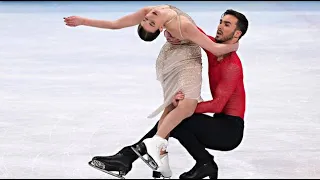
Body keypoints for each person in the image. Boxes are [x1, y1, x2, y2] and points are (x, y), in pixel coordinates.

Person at [64, 4, 238, 176]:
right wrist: (82, 21)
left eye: (226, 24)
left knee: (176, 114)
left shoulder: (230, 63)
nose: (149, 16)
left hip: (223, 118)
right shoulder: (179, 25)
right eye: (148, 21)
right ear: (162, 28)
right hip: (178, 59)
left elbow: (208, 45)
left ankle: (140, 155)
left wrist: (232, 46)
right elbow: (116, 24)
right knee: (176, 114)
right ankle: (150, 153)